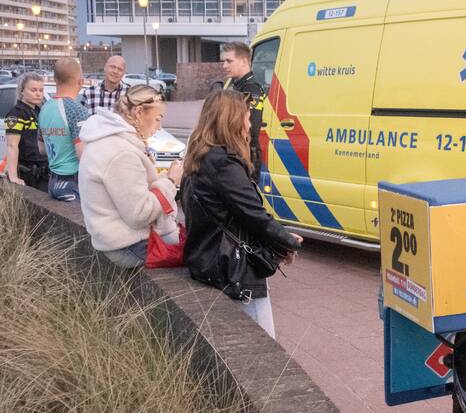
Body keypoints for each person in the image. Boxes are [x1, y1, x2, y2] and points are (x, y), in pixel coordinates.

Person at [182, 91, 301, 338]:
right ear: (232, 121)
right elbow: (253, 215)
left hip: (207, 260)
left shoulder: (199, 158)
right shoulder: (224, 163)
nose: (250, 124)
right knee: (263, 343)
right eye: (247, 118)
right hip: (235, 269)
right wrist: (287, 241)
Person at [78, 84, 183, 269]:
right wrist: (171, 181)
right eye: (157, 119)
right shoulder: (121, 152)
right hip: (128, 247)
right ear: (139, 112)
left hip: (116, 240)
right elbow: (140, 214)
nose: (160, 127)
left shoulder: (109, 139)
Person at [38, 57, 90, 202]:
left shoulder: (44, 109)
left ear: (55, 79)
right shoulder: (77, 110)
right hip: (73, 182)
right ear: (81, 81)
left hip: (53, 181)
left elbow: (42, 148)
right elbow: (82, 152)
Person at [221, 41, 266, 182]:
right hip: (237, 156)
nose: (224, 66)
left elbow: (250, 128)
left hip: (245, 157)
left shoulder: (251, 89)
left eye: (229, 61)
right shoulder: (237, 86)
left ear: (244, 62)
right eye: (224, 61)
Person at [3, 72, 49, 192]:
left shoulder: (41, 112)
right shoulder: (16, 114)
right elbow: (12, 146)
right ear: (22, 91)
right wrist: (13, 176)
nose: (38, 93)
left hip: (44, 173)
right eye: (33, 90)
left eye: (41, 90)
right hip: (27, 174)